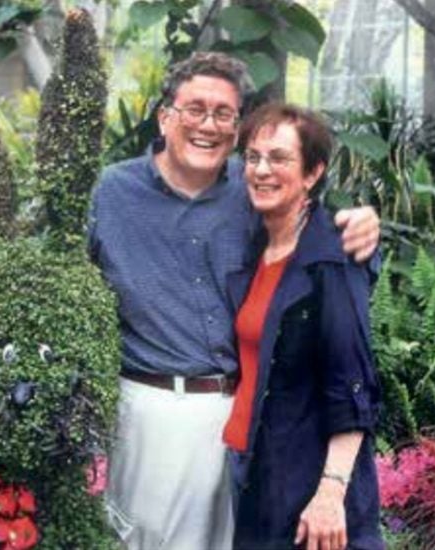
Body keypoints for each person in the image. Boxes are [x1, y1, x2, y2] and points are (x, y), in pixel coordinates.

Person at [88, 52, 381, 550]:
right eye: (194, 109)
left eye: (224, 113)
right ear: (165, 116)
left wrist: (366, 233)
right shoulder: (112, 194)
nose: (208, 124)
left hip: (249, 421)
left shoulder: (255, 185)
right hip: (151, 408)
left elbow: (319, 250)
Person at [223, 103, 383, 550]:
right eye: (253, 157)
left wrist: (331, 493)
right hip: (257, 471)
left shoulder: (330, 259)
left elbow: (353, 382)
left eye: (279, 158)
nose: (261, 170)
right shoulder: (256, 246)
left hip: (307, 488)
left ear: (312, 173)